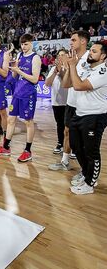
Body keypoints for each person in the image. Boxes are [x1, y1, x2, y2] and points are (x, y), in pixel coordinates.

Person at [0, 33, 41, 162]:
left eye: (26, 44)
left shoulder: (35, 58)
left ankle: (27, 151)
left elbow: (35, 79)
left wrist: (19, 71)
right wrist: (14, 69)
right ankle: (6, 147)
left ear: (31, 43)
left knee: (28, 122)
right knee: (11, 120)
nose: (23, 46)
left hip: (28, 94)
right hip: (17, 93)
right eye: (22, 44)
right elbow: (14, 76)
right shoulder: (19, 55)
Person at [68, 41, 107, 194]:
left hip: (95, 116)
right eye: (91, 50)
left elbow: (78, 86)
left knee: (91, 151)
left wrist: (72, 66)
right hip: (80, 113)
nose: (90, 53)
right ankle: (86, 174)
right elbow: (70, 83)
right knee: (76, 146)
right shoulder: (89, 68)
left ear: (103, 56)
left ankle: (90, 183)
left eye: (95, 51)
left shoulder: (103, 71)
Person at [49, 31, 89, 171]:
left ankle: (86, 171)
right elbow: (66, 84)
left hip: (84, 105)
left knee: (82, 139)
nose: (70, 42)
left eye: (73, 40)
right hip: (71, 103)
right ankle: (65, 161)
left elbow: (83, 83)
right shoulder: (72, 58)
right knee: (67, 132)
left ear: (83, 41)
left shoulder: (90, 58)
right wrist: (65, 68)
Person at [45, 49, 68, 155]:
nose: (60, 57)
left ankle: (71, 146)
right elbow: (47, 83)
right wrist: (55, 72)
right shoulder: (54, 68)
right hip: (56, 102)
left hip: (68, 102)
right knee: (60, 124)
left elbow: (66, 82)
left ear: (67, 56)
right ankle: (60, 143)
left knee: (69, 126)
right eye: (59, 55)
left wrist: (61, 71)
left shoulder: (70, 67)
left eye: (63, 55)